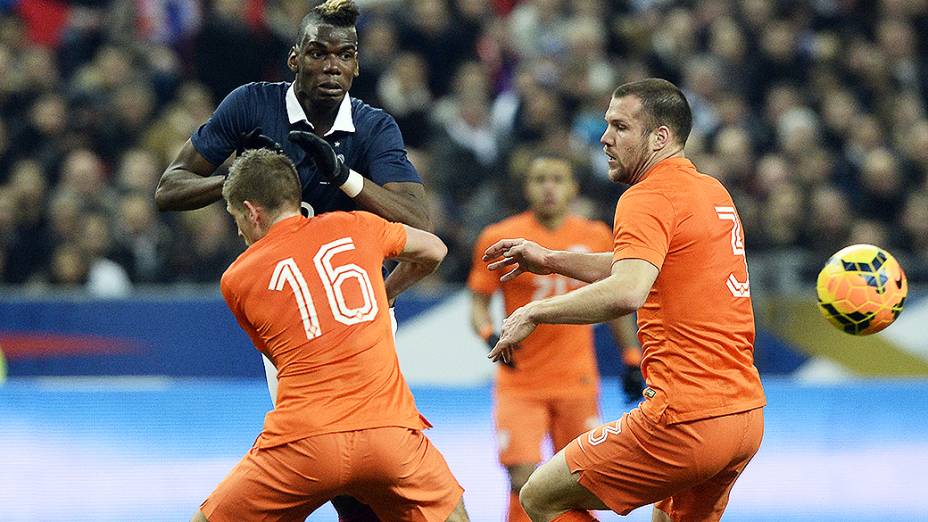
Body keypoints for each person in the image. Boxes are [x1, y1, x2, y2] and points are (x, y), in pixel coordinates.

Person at [154, 1, 428, 517]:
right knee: (326, 462)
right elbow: (170, 187)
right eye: (319, 52)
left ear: (357, 66)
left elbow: (420, 223)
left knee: (355, 466)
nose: (332, 66)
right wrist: (239, 179)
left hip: (356, 316)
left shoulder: (372, 128)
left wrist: (345, 176)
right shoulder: (251, 106)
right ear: (294, 58)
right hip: (289, 315)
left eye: (344, 55)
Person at [484, 78, 766, 522]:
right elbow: (638, 263)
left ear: (659, 137)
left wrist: (534, 310)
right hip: (744, 416)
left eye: (619, 126)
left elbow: (627, 289)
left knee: (539, 495)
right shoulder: (712, 191)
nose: (605, 138)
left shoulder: (647, 195)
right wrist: (553, 259)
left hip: (682, 417)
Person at [193, 148, 469, 522]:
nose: (239, 230)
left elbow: (282, 359)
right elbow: (434, 250)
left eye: (236, 217)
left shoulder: (237, 279)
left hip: (305, 444)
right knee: (454, 514)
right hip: (389, 435)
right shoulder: (357, 225)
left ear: (252, 211)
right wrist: (383, 294)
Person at [467, 156, 642, 522]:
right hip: (520, 382)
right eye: (539, 179)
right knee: (522, 478)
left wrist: (630, 355)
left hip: (576, 380)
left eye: (558, 179)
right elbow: (478, 306)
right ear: (527, 187)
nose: (549, 187)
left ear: (573, 188)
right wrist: (489, 336)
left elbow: (619, 301)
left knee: (579, 481)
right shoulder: (499, 237)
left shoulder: (595, 236)